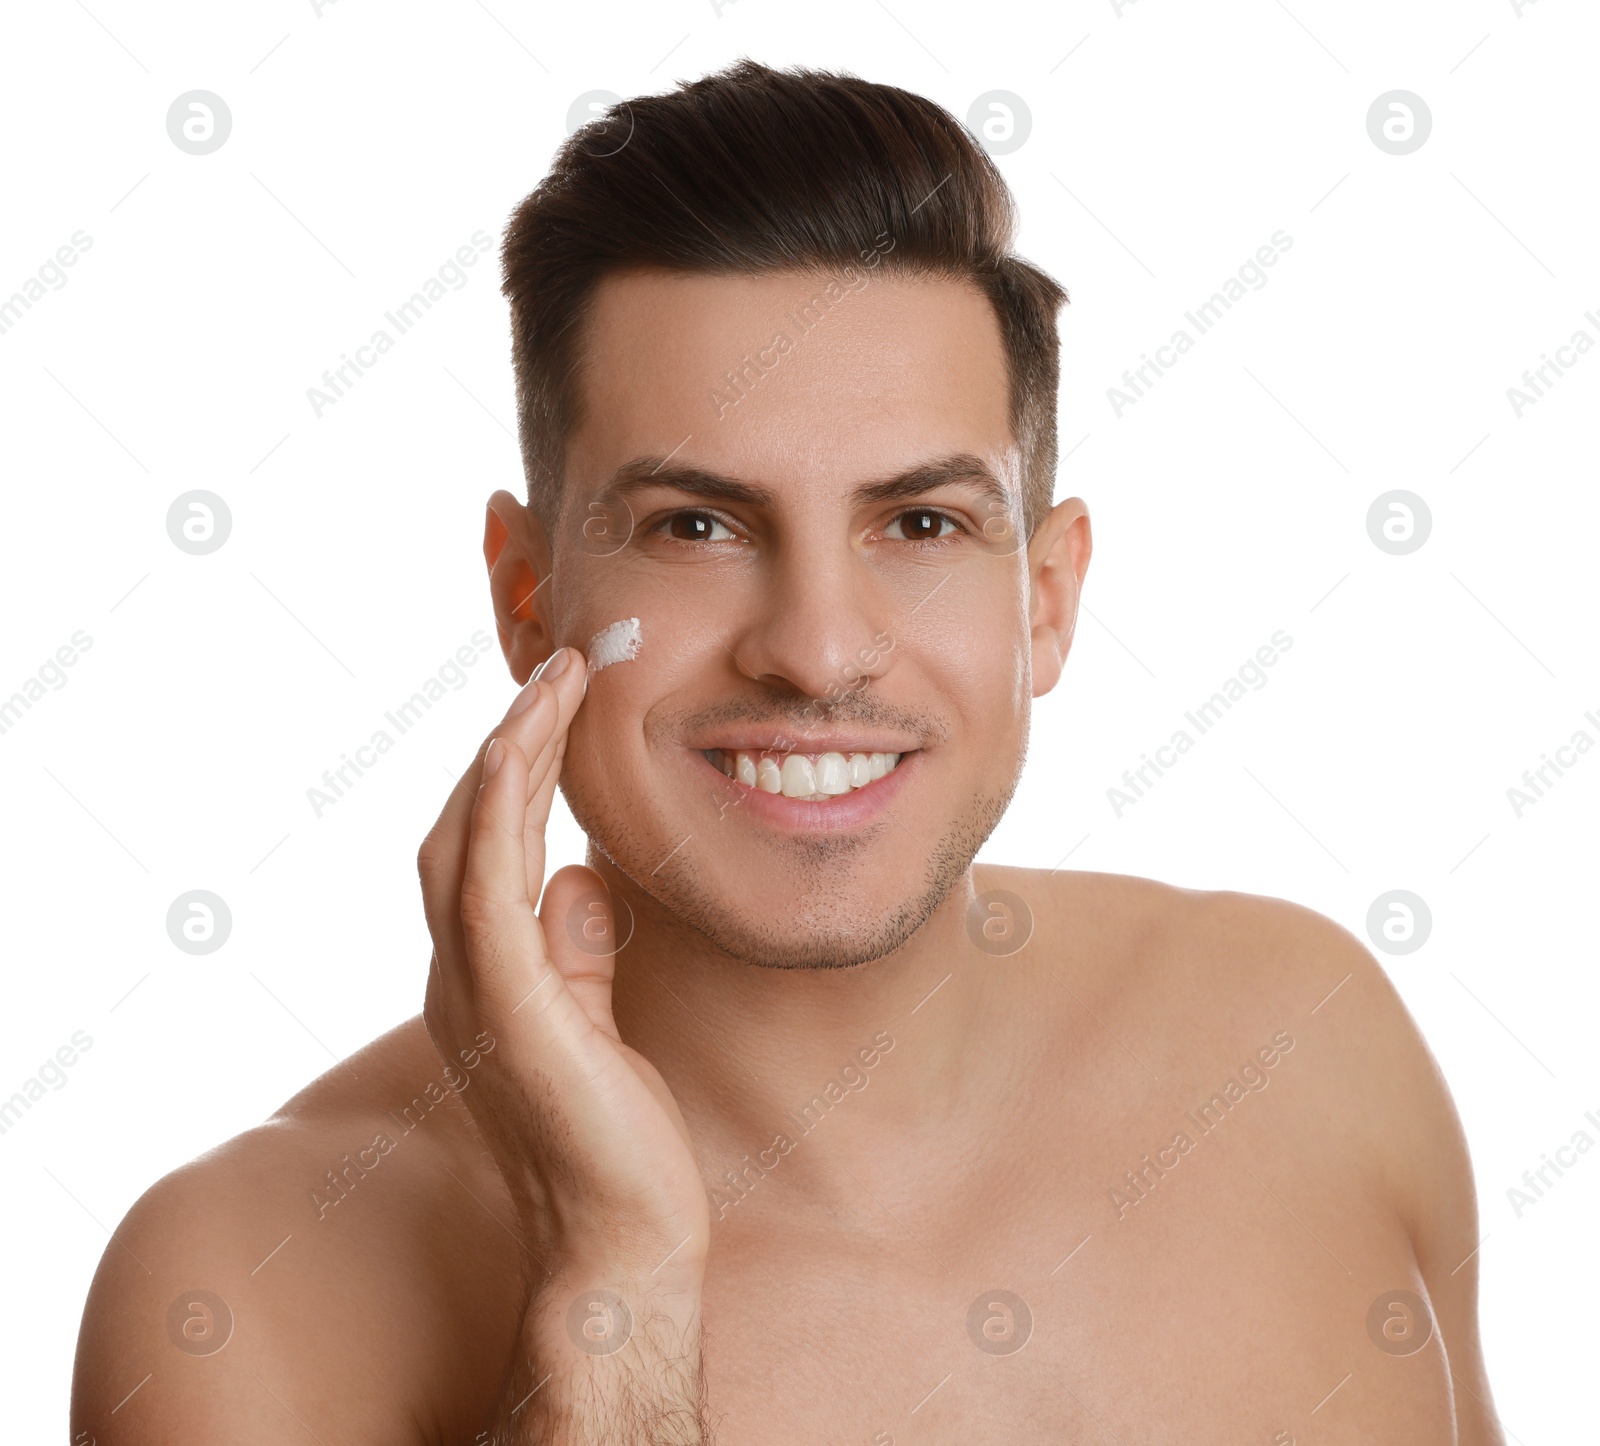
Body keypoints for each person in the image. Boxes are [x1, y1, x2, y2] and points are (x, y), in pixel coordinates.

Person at [72, 60, 1502, 1445]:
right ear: (525, 594)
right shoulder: (250, 1287)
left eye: (923, 523)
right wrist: (611, 1278)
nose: (818, 650)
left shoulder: (1314, 1045)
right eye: (696, 524)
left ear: (1048, 598)